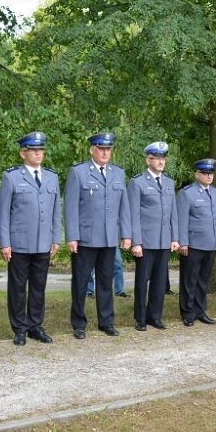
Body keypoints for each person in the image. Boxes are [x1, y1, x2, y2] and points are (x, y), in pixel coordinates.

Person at [64, 132, 131, 339]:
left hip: (109, 238)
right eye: (101, 148)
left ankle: (106, 321)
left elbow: (124, 206)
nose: (105, 152)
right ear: (92, 149)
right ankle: (79, 323)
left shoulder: (117, 173)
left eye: (108, 149)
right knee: (81, 282)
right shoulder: (79, 172)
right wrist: (72, 236)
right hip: (85, 238)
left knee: (105, 281)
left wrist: (126, 234)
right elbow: (71, 207)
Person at [0, 132, 61, 346]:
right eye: (33, 150)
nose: (38, 153)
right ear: (23, 153)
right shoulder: (12, 177)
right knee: (17, 288)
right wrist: (4, 242)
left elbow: (55, 212)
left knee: (38, 286)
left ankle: (35, 325)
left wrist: (56, 238)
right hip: (19, 244)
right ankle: (19, 328)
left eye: (40, 150)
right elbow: (3, 212)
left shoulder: (51, 177)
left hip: (43, 242)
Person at [128, 142, 179, 331]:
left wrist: (175, 238)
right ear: (148, 160)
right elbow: (133, 214)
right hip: (146, 242)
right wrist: (136, 242)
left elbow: (173, 212)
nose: (161, 162)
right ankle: (140, 318)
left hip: (163, 241)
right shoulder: (137, 182)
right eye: (157, 158)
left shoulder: (169, 182)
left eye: (163, 158)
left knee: (159, 282)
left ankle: (155, 316)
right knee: (142, 281)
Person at [177, 158, 216, 327]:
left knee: (203, 280)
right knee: (190, 280)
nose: (209, 176)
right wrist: (183, 243)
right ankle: (188, 313)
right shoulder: (187, 193)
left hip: (210, 244)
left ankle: (200, 310)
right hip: (193, 244)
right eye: (205, 173)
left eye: (211, 173)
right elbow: (182, 220)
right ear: (197, 174)